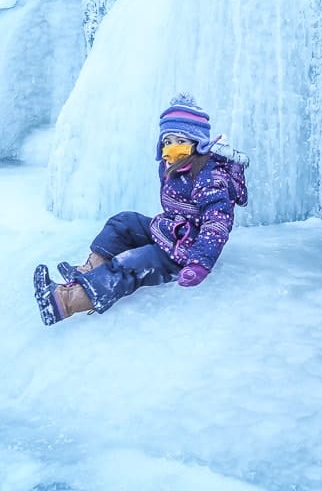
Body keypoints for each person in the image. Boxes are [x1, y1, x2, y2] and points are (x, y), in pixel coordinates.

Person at [33, 94, 248, 326]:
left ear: (198, 142)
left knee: (132, 263)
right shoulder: (173, 166)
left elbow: (217, 224)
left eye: (179, 140)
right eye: (166, 141)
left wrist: (199, 263)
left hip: (187, 250)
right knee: (123, 222)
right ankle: (91, 270)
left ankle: (65, 302)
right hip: (170, 231)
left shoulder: (209, 177)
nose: (170, 147)